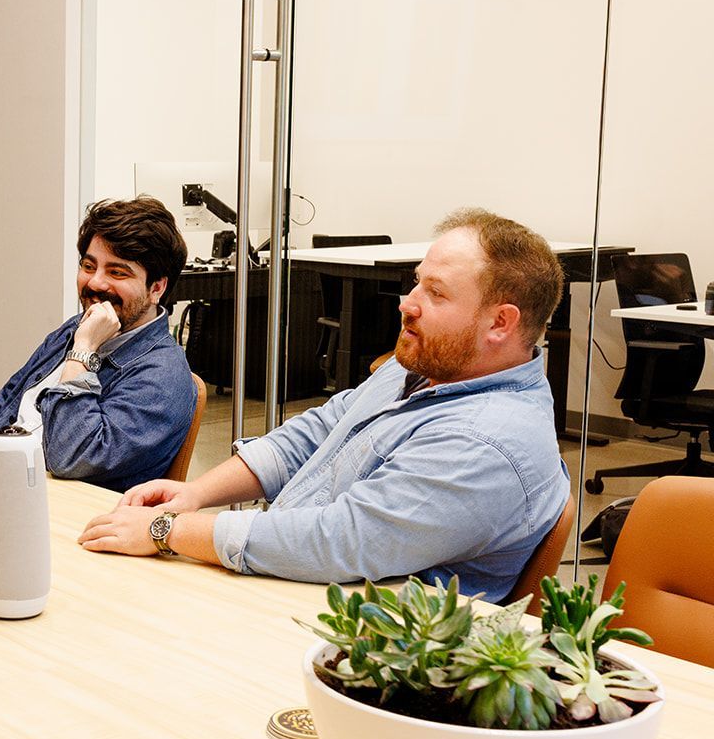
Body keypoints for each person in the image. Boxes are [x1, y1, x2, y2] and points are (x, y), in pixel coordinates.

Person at [79, 208, 569, 602]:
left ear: (501, 323)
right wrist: (196, 495)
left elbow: (337, 540)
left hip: (357, 649)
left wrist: (169, 529)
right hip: (294, 592)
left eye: (435, 293)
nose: (408, 302)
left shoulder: (486, 441)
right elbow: (318, 430)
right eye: (418, 281)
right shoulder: (426, 365)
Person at [0, 196, 196, 492]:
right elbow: (6, 410)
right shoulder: (75, 329)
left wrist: (82, 353)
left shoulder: (163, 375)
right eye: (89, 266)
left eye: (117, 272)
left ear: (157, 287)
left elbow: (73, 457)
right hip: (5, 485)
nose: (95, 283)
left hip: (61, 516)